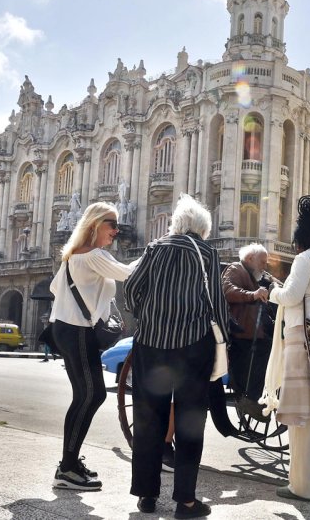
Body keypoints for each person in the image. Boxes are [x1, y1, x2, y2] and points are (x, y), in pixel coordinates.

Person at [124, 194, 222, 519]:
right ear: (202, 228)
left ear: (178, 223)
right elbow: (217, 304)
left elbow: (131, 288)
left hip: (151, 346)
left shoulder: (155, 248)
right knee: (190, 422)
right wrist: (224, 339)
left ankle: (147, 497)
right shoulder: (207, 252)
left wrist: (147, 317)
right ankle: (186, 503)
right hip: (193, 347)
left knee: (149, 420)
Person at [49, 201, 138, 491]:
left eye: (117, 224)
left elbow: (54, 288)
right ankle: (67, 467)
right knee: (93, 394)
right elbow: (128, 274)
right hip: (76, 331)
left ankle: (70, 463)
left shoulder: (73, 255)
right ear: (94, 224)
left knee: (85, 396)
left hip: (64, 328)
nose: (116, 229)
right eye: (111, 223)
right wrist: (155, 253)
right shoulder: (94, 255)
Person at [261, 196, 310, 503]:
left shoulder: (305, 260)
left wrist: (272, 291)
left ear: (298, 242)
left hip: (303, 341)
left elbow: (292, 296)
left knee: (300, 418)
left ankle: (304, 485)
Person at [221, 243, 275, 409]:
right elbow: (227, 289)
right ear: (250, 258)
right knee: (262, 353)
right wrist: (253, 295)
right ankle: (251, 399)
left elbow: (275, 281)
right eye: (263, 262)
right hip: (241, 332)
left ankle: (258, 396)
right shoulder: (236, 268)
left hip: (254, 331)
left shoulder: (255, 274)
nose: (265, 266)